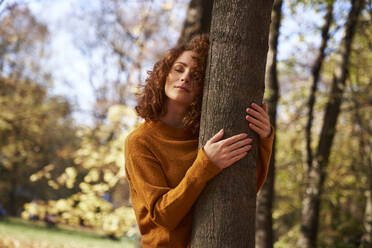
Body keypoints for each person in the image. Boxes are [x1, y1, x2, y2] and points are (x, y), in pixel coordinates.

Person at [124, 34, 274, 248]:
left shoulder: (207, 135)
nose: (185, 77)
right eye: (179, 69)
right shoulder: (140, 142)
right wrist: (205, 165)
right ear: (163, 74)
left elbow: (246, 187)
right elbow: (162, 215)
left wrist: (265, 138)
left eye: (196, 75)